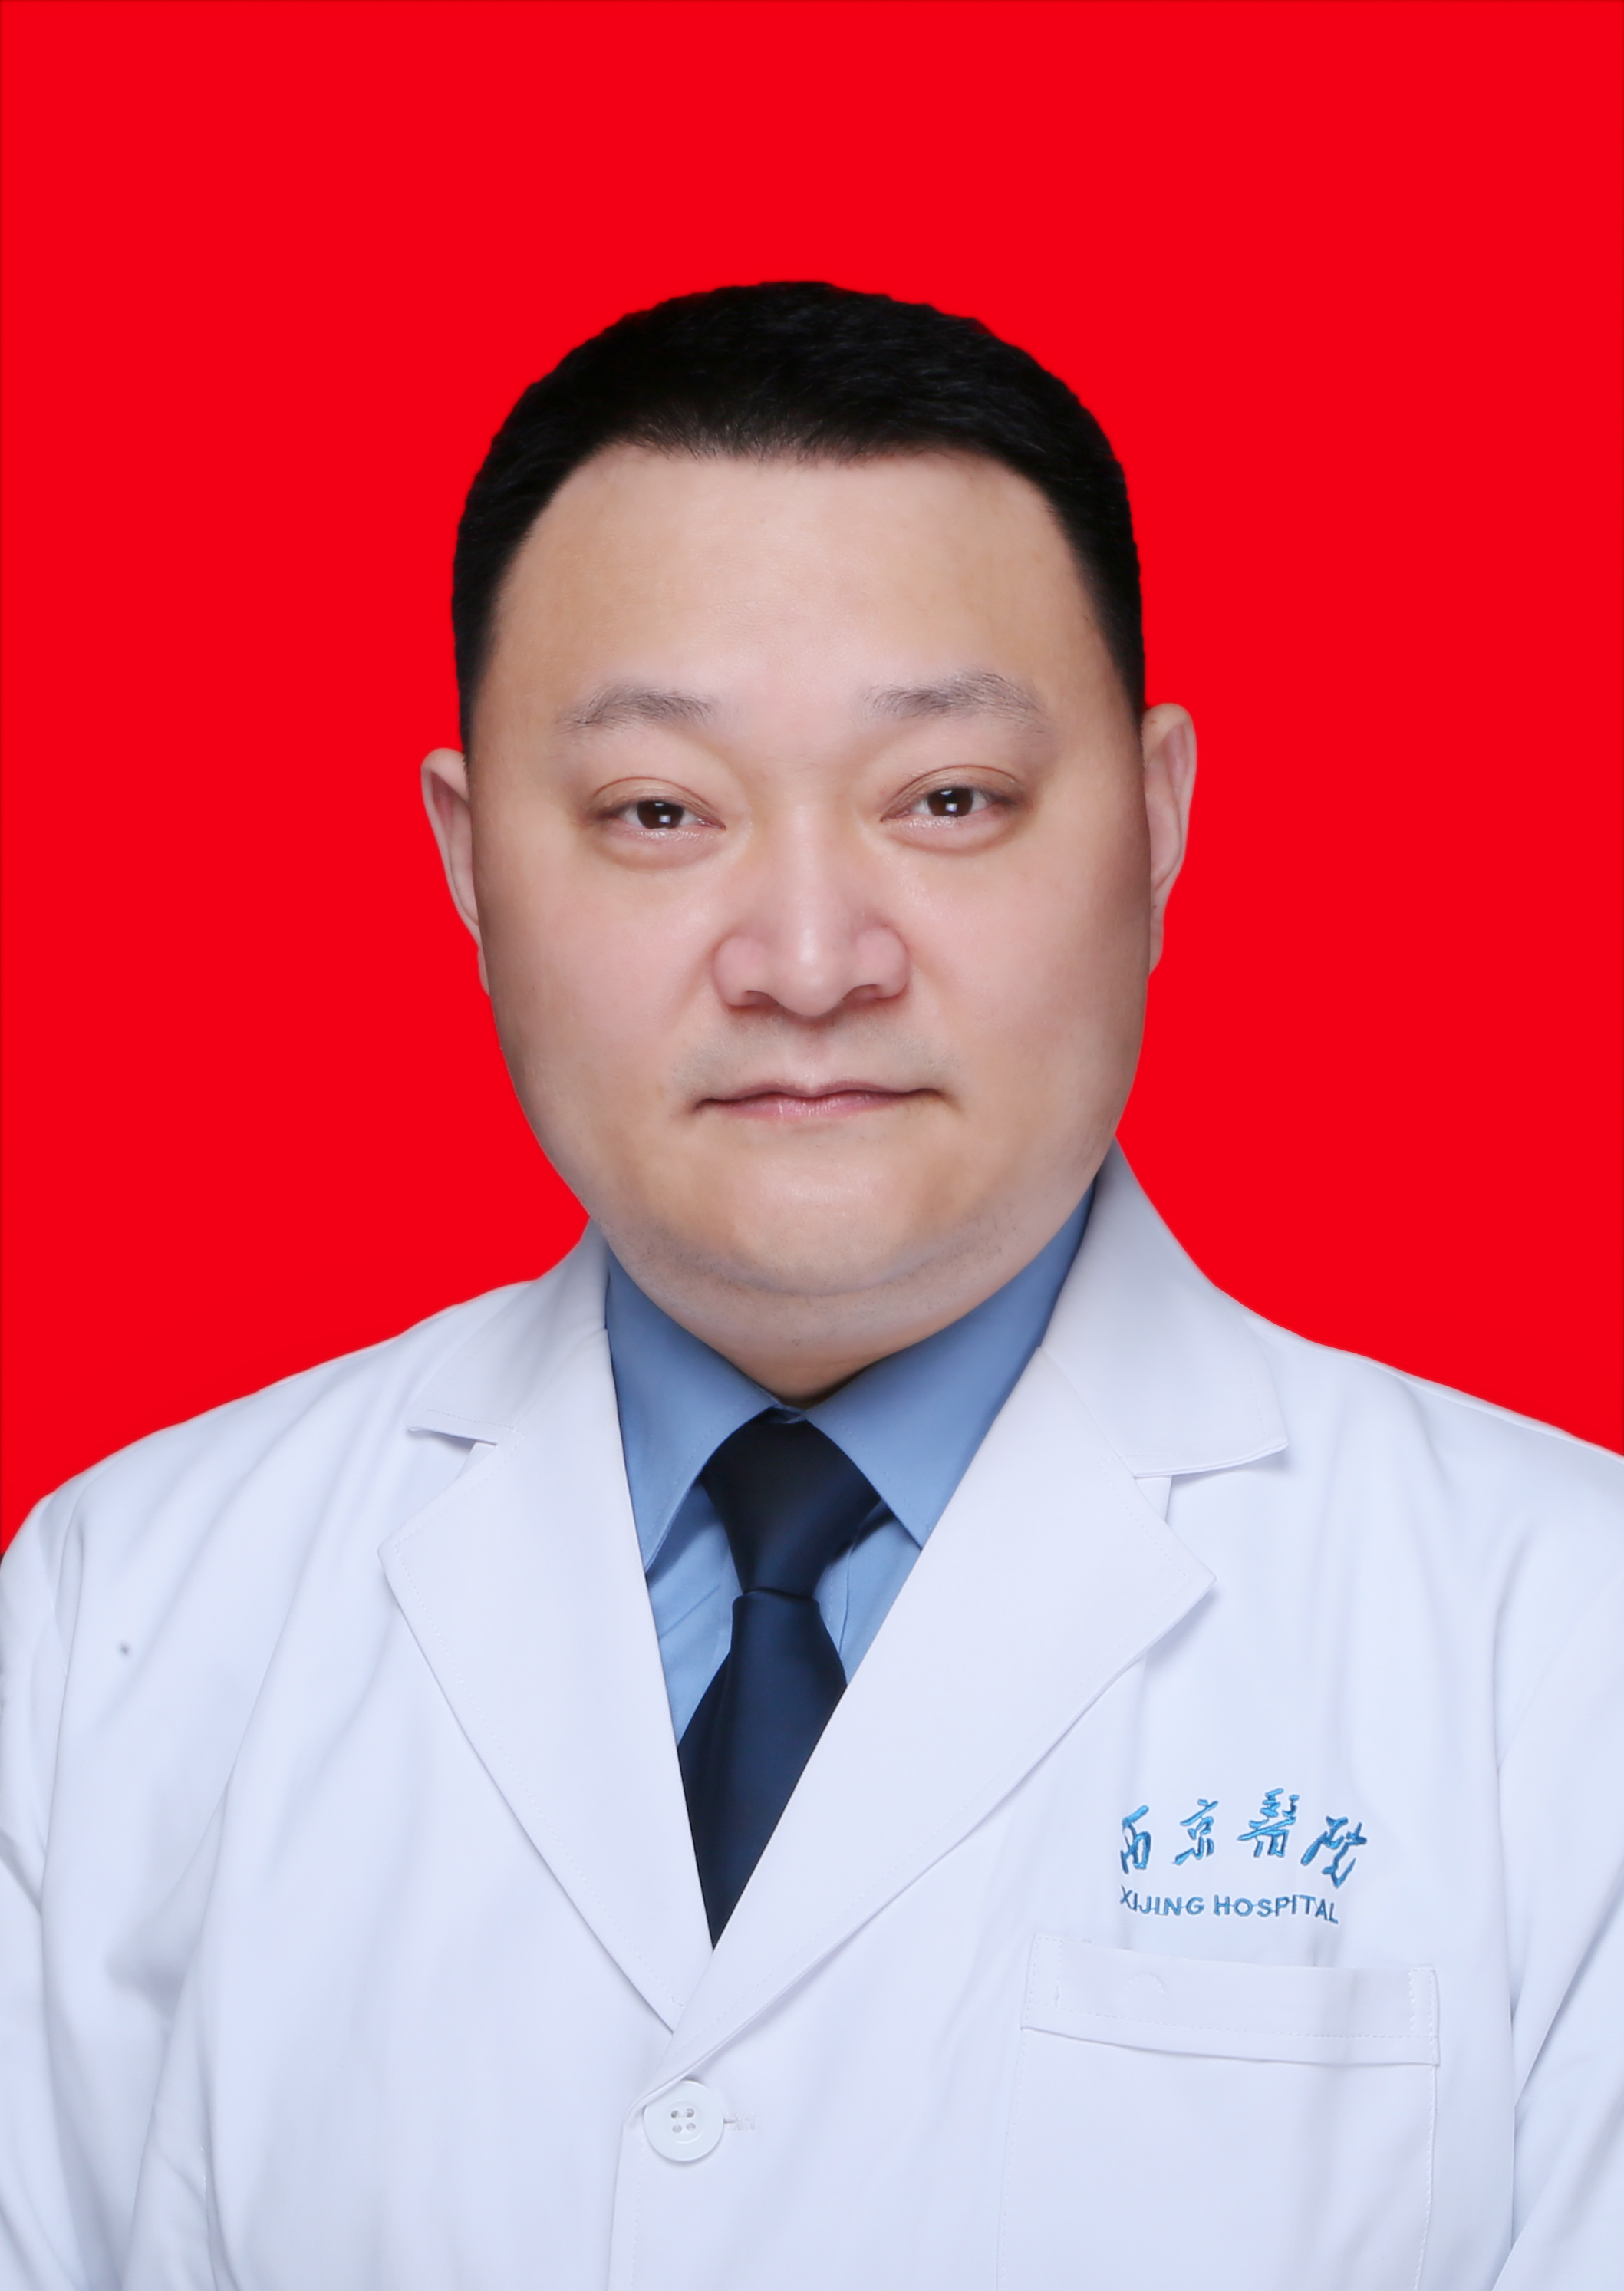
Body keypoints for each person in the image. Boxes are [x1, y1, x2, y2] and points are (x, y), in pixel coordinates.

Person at [1, 282, 1618, 2291]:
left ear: (1159, 819)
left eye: (946, 799)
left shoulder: (1563, 1649)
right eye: (658, 812)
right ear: (468, 859)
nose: (808, 958)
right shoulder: (124, 1619)